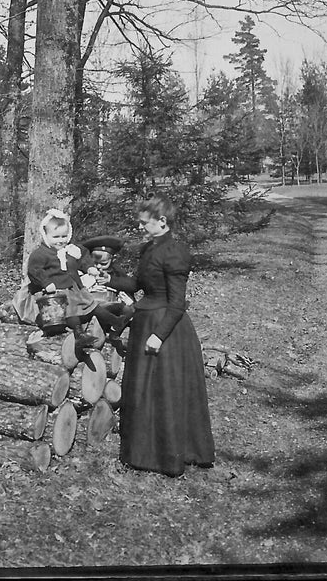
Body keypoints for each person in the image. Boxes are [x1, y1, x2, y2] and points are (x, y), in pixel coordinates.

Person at [117, 194, 215, 477]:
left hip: (166, 331)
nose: (140, 227)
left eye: (144, 223)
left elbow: (177, 302)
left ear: (162, 222)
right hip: (146, 322)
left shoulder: (174, 251)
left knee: (165, 393)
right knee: (144, 392)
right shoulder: (150, 248)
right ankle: (143, 451)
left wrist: (159, 335)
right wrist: (105, 278)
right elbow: (137, 284)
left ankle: (168, 454)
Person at [26, 209, 129, 354]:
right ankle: (79, 334)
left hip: (73, 288)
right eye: (55, 237)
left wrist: (90, 268)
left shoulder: (70, 250)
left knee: (93, 306)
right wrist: (46, 283)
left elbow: (82, 260)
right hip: (55, 293)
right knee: (71, 311)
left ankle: (115, 321)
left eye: (63, 236)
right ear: (46, 235)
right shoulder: (41, 254)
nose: (60, 240)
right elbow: (34, 270)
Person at [82, 235, 137, 356]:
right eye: (95, 263)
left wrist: (129, 300)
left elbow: (129, 286)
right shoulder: (86, 270)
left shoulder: (118, 273)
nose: (99, 267)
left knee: (129, 309)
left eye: (103, 264)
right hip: (91, 306)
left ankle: (114, 332)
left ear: (113, 259)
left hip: (111, 307)